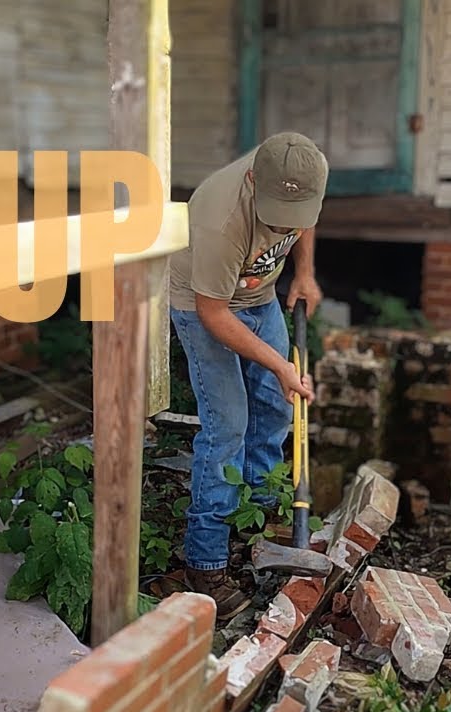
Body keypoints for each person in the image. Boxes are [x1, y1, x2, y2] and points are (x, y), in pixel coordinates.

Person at [169, 132, 326, 619]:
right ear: (255, 181)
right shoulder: (219, 217)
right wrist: (281, 365)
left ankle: (256, 525)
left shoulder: (303, 173)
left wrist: (304, 273)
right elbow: (214, 313)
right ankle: (206, 559)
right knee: (228, 426)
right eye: (275, 212)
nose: (285, 224)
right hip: (203, 306)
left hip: (260, 299)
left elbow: (304, 222)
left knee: (277, 408)